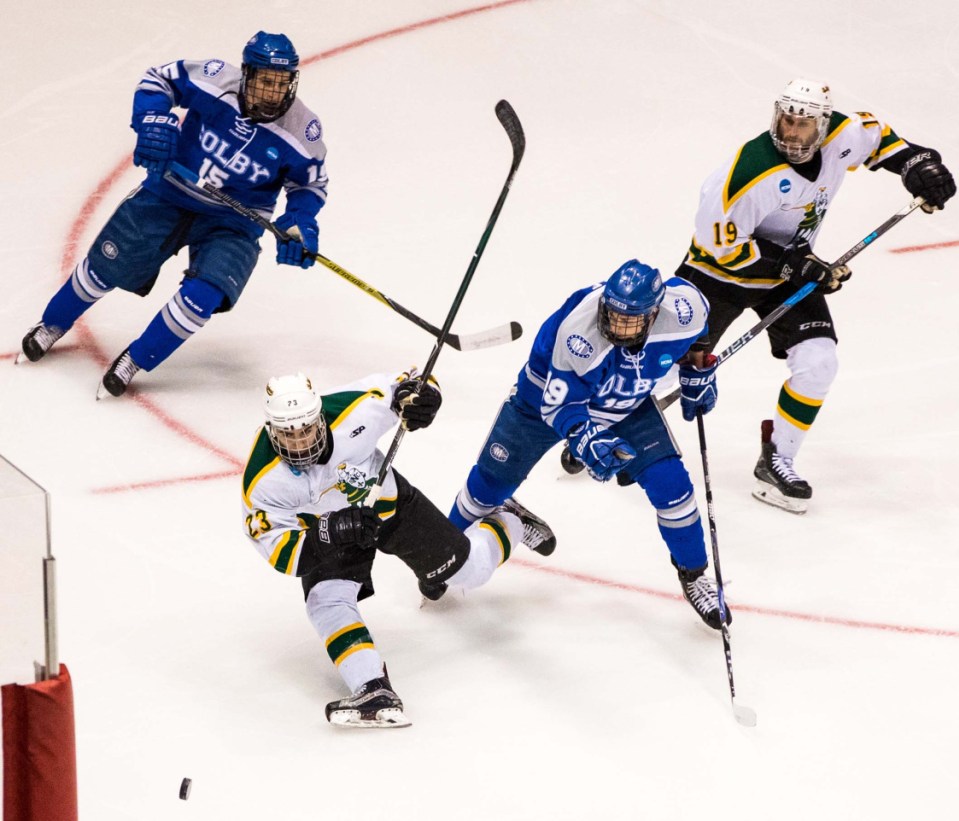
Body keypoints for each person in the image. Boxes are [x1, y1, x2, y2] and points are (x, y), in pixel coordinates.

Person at [675, 78, 957, 514]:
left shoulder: (843, 134)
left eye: (803, 124)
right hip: (717, 274)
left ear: (822, 125)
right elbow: (721, 248)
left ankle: (778, 460)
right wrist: (796, 266)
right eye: (786, 120)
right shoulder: (751, 172)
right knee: (657, 363)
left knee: (819, 361)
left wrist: (917, 166)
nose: (792, 132)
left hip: (789, 268)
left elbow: (882, 139)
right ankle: (605, 428)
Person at [17, 32, 329, 397]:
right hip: (169, 193)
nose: (272, 93)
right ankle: (53, 323)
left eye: (281, 84)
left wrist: (301, 221)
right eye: (265, 82)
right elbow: (159, 79)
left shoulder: (303, 132)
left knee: (207, 293)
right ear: (246, 74)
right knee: (105, 268)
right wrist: (151, 118)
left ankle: (136, 358)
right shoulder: (214, 80)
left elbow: (309, 185)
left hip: (234, 222)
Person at [242, 369, 556, 728]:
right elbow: (283, 552)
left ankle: (509, 518)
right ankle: (373, 688)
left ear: (319, 417)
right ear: (271, 430)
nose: (299, 442)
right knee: (325, 602)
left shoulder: (351, 410)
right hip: (329, 535)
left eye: (306, 430)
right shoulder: (262, 479)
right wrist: (330, 532)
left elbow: (416, 379)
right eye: (288, 434)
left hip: (390, 508)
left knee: (473, 570)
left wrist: (423, 399)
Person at [448, 259, 732, 631]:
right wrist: (586, 439)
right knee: (488, 485)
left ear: (653, 314)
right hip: (543, 400)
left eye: (629, 321)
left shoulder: (685, 309)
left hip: (625, 403)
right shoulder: (579, 333)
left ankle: (694, 574)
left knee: (673, 486)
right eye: (612, 314)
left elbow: (697, 337)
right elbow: (560, 405)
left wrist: (698, 369)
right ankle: (447, 549)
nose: (616, 326)